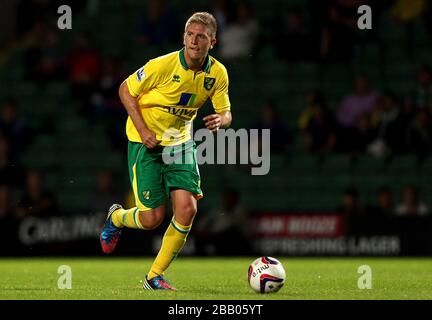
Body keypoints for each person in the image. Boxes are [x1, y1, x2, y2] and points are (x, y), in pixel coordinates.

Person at [100, 12, 232, 290]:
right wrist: (144, 130)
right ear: (183, 36)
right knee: (151, 219)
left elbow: (226, 112)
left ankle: (153, 276)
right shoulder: (162, 65)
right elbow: (125, 90)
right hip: (144, 142)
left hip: (180, 143)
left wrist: (222, 120)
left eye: (201, 36)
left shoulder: (217, 73)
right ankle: (116, 217)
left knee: (187, 209)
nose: (194, 41)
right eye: (190, 34)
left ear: (213, 42)